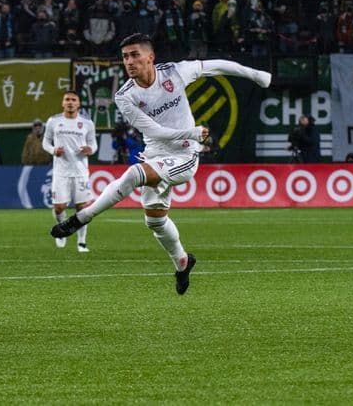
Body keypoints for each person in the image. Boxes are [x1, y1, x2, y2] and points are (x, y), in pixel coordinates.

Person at [51, 33, 271, 295]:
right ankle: (182, 261)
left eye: (135, 55)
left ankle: (82, 217)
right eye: (125, 57)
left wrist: (255, 74)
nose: (129, 61)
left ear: (150, 57)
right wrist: (192, 131)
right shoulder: (125, 96)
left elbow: (218, 66)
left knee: (134, 174)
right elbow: (154, 131)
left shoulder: (176, 73)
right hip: (156, 151)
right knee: (155, 220)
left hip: (184, 156)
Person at [42, 91, 98, 252]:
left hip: (80, 172)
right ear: (62, 103)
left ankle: (82, 242)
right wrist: (53, 150)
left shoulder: (87, 123)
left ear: (79, 103)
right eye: (67, 99)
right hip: (61, 172)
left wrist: (90, 149)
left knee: (82, 209)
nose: (70, 102)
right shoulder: (54, 121)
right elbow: (46, 142)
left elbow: (93, 144)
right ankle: (61, 231)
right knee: (59, 207)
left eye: (73, 100)